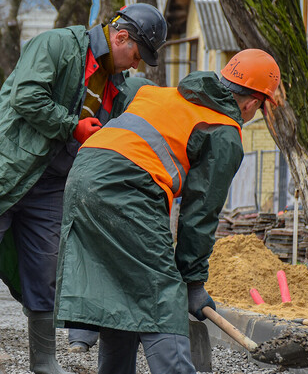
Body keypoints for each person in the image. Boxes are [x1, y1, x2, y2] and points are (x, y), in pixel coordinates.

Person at [0, 3, 168, 374]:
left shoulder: (116, 85)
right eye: (137, 54)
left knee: (46, 268)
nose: (136, 64)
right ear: (121, 37)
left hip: (52, 182)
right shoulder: (56, 45)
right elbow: (26, 97)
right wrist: (73, 126)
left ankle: (44, 360)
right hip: (9, 168)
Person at [54, 49, 282, 373]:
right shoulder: (224, 130)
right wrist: (191, 282)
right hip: (126, 187)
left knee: (124, 290)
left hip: (83, 175)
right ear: (252, 103)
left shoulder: (166, 95)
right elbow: (200, 214)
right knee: (162, 292)